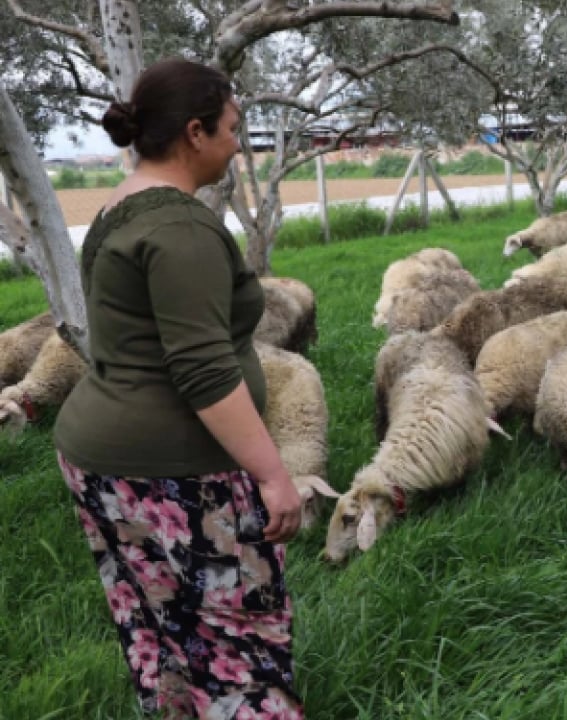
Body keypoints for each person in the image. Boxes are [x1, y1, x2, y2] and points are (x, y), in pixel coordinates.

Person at [53, 58, 305, 719]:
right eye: (231, 127)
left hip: (102, 460)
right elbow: (203, 370)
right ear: (195, 132)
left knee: (158, 618)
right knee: (235, 635)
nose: (236, 141)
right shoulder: (182, 229)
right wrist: (273, 475)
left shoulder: (120, 206)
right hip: (177, 474)